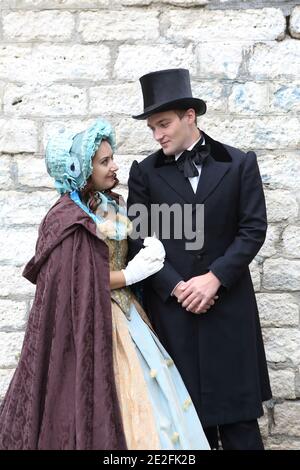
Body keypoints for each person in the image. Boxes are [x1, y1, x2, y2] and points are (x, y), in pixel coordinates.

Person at [0, 118, 210, 450]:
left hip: (130, 318)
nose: (114, 167)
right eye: (104, 161)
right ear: (81, 168)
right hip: (92, 322)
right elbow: (75, 280)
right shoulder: (66, 219)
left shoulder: (111, 204)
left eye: (112, 158)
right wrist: (132, 274)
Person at [127, 68, 272, 450]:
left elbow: (252, 229)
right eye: (152, 128)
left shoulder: (240, 163)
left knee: (242, 427)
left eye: (163, 124)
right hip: (176, 317)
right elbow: (140, 238)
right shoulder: (143, 173)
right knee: (189, 430)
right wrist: (175, 286)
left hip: (230, 310)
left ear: (190, 116)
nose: (157, 135)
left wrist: (215, 278)